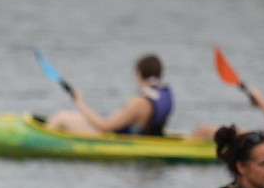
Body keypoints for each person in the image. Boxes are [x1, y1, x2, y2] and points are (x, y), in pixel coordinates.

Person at [45, 54, 173, 137]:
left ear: (138, 73)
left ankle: (44, 141)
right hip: (138, 134)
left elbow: (104, 126)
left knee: (61, 117)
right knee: (73, 118)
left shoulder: (141, 102)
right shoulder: (163, 94)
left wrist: (80, 102)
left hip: (112, 137)